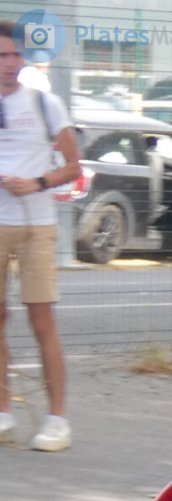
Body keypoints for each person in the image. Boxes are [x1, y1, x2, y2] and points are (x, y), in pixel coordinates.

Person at [0, 20, 80, 452]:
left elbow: (73, 167)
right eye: (1, 56)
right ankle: (3, 413)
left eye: (15, 55)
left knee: (41, 319)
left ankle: (57, 420)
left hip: (36, 224)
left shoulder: (46, 104)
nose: (9, 64)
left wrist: (36, 182)